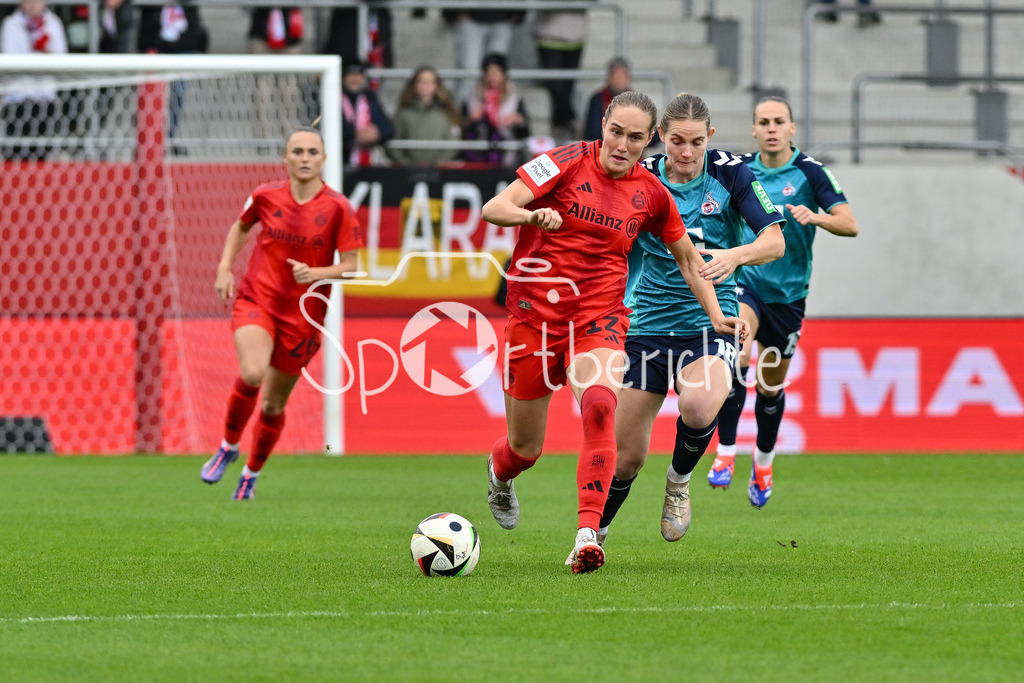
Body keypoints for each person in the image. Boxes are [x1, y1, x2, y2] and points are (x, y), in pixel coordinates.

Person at [481, 90, 747, 573]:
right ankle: (500, 475)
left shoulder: (652, 194)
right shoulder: (560, 162)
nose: (622, 145)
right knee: (526, 448)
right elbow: (495, 208)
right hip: (534, 318)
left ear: (651, 142)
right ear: (603, 124)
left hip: (599, 318)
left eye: (635, 138)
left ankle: (587, 534)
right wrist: (531, 215)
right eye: (616, 132)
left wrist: (714, 314)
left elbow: (688, 259)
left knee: (601, 404)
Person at [597, 92, 786, 547]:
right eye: (677, 141)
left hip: (711, 320)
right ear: (661, 136)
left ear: (711, 138)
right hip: (645, 324)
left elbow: (774, 242)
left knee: (699, 406)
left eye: (696, 143)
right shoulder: (639, 178)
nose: (685, 153)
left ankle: (679, 482)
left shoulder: (732, 174)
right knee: (624, 459)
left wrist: (735, 256)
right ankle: (593, 536)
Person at [711, 96, 858, 507]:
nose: (772, 128)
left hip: (790, 296)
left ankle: (763, 460)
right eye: (763, 122)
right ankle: (725, 454)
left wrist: (818, 218)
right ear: (754, 131)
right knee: (735, 354)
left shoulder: (810, 172)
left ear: (792, 129)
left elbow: (850, 223)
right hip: (748, 284)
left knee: (769, 387)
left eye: (779, 121)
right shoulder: (738, 171)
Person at [200, 127, 363, 499]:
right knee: (253, 371)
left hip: (304, 317)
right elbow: (241, 227)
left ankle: (251, 474)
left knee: (274, 403)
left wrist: (317, 274)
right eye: (298, 151)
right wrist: (225, 267)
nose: (305, 158)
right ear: (285, 158)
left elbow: (352, 265)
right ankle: (227, 445)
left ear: (323, 159)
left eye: (312, 152)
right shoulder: (265, 195)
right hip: (258, 299)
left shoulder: (338, 207)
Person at [0, 0, 68, 160]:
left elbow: (62, 57)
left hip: (45, 96)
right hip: (17, 97)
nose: (32, 5)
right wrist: (37, 58)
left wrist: (45, 53)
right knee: (15, 150)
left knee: (43, 151)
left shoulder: (53, 23)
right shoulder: (11, 24)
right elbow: (9, 59)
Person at [137, 2, 209, 150]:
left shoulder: (187, 7)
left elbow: (194, 29)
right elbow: (146, 29)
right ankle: (150, 139)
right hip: (156, 49)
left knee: (179, 93)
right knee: (152, 95)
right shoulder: (152, 11)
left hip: (182, 50)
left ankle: (169, 137)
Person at [533, 3, 590, 143]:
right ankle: (571, 119)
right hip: (549, 37)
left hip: (576, 37)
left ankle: (561, 125)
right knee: (555, 86)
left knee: (568, 88)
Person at [461, 52, 530, 166]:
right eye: (489, 73)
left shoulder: (515, 99)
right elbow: (460, 127)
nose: (493, 77)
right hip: (477, 156)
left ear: (504, 75)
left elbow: (526, 133)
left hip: (508, 156)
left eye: (497, 72)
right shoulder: (472, 99)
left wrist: (518, 120)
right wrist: (470, 120)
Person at [442, 9, 524, 104]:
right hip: (471, 18)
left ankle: (495, 114)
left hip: (502, 18)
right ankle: (462, 114)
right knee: (469, 73)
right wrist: (454, 12)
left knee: (497, 72)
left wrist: (518, 13)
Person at [389, 66, 461, 166]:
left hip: (439, 171)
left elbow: (453, 143)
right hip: (407, 171)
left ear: (436, 85)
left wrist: (438, 163)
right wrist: (406, 163)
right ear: (414, 85)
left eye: (430, 82)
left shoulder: (446, 114)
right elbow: (393, 143)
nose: (425, 85)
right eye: (421, 81)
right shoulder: (403, 114)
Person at [341, 59, 393, 167]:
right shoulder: (333, 98)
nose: (355, 79)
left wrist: (377, 133)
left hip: (366, 163)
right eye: (351, 74)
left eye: (359, 75)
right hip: (340, 160)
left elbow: (388, 128)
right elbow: (325, 128)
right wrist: (354, 133)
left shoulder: (370, 98)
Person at [583, 57, 631, 141]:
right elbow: (593, 132)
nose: (619, 80)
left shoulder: (638, 101)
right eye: (616, 76)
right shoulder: (597, 100)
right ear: (609, 78)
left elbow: (648, 130)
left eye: (622, 77)